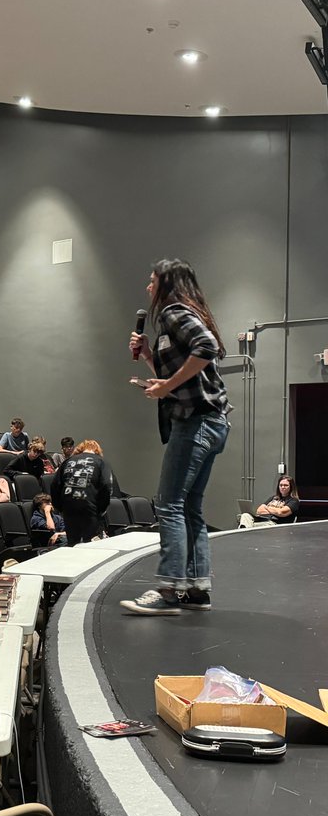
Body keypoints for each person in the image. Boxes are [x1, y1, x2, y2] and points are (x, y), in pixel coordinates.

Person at [122, 259, 231, 615]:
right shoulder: (180, 315)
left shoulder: (173, 312)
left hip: (196, 423)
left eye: (152, 280)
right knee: (189, 507)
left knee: (168, 503)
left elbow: (207, 348)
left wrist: (166, 385)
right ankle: (197, 589)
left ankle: (168, 589)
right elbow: (187, 374)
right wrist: (151, 359)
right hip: (212, 423)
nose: (147, 287)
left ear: (167, 284)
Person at [51, 439, 112, 546]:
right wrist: (101, 508)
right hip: (90, 506)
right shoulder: (101, 461)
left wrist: (60, 508)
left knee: (73, 543)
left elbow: (54, 485)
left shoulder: (68, 461)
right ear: (97, 451)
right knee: (90, 543)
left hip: (69, 507)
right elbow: (107, 485)